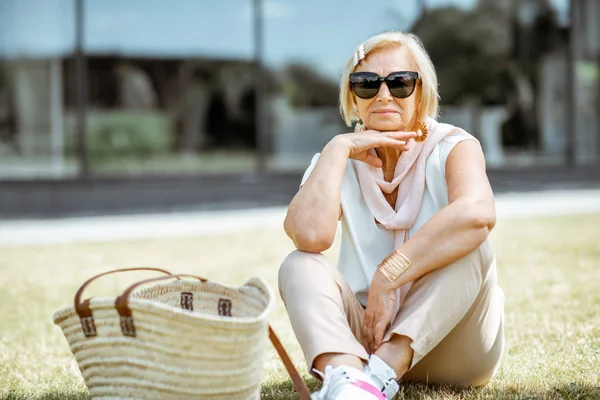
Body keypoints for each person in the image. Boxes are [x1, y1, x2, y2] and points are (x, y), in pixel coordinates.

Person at [278, 31, 505, 400]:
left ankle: (381, 372)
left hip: (452, 343)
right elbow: (309, 237)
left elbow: (477, 214)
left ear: (422, 92)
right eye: (366, 84)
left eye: (400, 82)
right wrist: (337, 149)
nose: (383, 94)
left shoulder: (453, 146)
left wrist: (390, 274)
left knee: (473, 244)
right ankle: (350, 381)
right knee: (298, 264)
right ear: (353, 97)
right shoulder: (334, 161)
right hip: (367, 336)